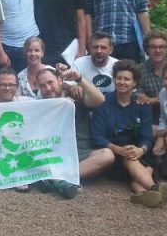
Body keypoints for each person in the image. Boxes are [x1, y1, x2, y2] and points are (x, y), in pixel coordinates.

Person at [90, 60, 165, 207]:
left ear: (134, 83)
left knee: (144, 167)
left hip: (138, 152)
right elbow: (97, 136)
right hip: (114, 155)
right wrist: (117, 149)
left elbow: (146, 136)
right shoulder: (103, 103)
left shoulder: (142, 104)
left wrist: (141, 150)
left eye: (126, 79)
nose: (121, 82)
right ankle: (155, 189)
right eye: (119, 78)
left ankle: (145, 196)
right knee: (131, 160)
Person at [34, 66, 112, 198]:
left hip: (80, 152)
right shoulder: (39, 106)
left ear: (60, 80)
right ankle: (62, 180)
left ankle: (58, 178)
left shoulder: (76, 97)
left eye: (50, 82)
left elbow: (100, 100)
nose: (47, 88)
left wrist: (79, 79)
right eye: (42, 85)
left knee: (107, 155)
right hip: (54, 154)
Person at [135, 28, 167, 121]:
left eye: (162, 47)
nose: (158, 50)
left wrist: (153, 100)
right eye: (153, 47)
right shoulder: (138, 71)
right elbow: (140, 99)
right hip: (149, 117)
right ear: (147, 49)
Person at [73, 31, 118, 96]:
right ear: (89, 48)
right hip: (86, 102)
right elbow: (66, 84)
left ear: (111, 50)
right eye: (95, 47)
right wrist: (73, 87)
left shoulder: (117, 65)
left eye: (103, 48)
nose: (99, 51)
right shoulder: (79, 63)